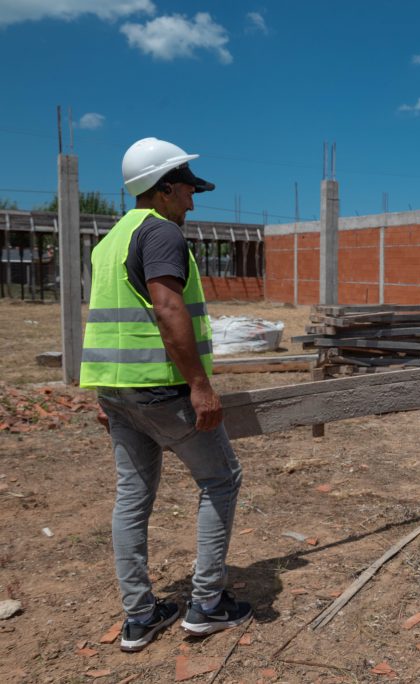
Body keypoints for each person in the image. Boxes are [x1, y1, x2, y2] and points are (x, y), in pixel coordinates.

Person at [80, 138, 251, 652]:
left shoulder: (110, 241)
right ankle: (207, 604)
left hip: (118, 391)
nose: (193, 202)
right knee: (221, 479)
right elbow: (167, 309)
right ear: (164, 188)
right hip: (162, 390)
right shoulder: (160, 233)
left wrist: (108, 395)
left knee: (132, 496)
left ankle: (139, 616)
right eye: (188, 190)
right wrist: (200, 386)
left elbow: (110, 321)